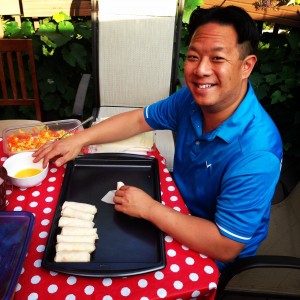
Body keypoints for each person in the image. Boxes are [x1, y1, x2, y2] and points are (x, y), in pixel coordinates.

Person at [33, 5, 282, 270]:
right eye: (194, 57)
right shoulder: (191, 100)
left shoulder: (257, 153)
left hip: (210, 250)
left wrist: (150, 209)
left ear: (246, 66)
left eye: (218, 59)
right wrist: (78, 139)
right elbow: (139, 119)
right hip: (175, 207)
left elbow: (226, 245)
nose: (201, 70)